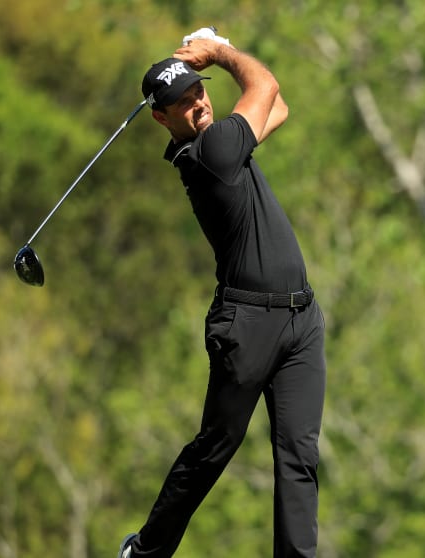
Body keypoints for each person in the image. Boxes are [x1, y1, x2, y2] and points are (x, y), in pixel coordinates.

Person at [118, 27, 326, 558]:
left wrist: (230, 68)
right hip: (248, 326)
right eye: (181, 104)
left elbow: (275, 106)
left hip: (301, 321)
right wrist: (222, 51)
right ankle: (145, 552)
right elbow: (268, 83)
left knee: (299, 457)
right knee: (215, 447)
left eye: (199, 91)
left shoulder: (225, 143)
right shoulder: (209, 152)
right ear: (160, 118)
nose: (197, 105)